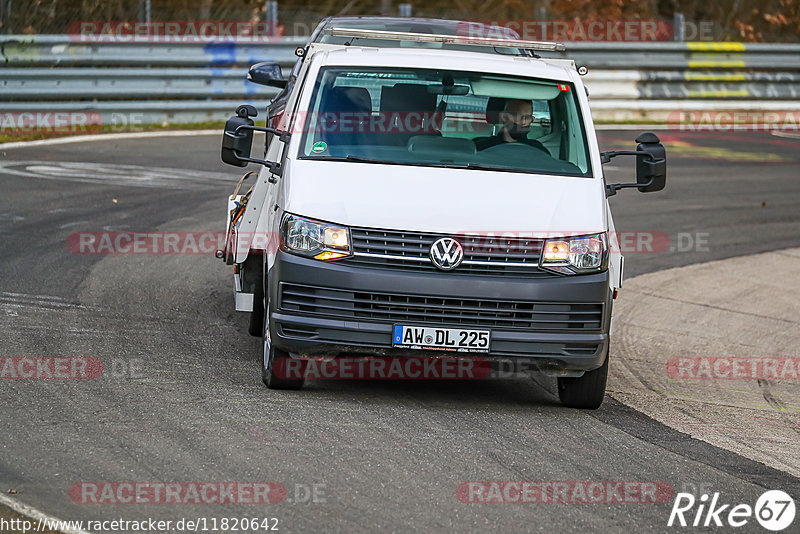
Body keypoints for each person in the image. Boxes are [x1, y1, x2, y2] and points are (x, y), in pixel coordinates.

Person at [474, 99, 550, 154]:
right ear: (503, 117)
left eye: (528, 117)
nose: (523, 122)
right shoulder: (479, 147)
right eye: (517, 116)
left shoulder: (539, 150)